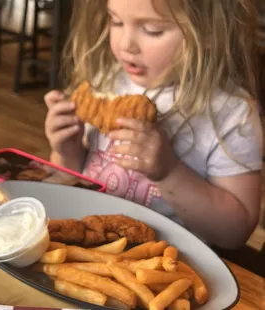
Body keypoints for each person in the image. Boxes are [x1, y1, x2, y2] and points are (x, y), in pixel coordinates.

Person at [44, 0, 263, 249]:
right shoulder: (105, 80)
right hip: (88, 242)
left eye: (152, 30)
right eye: (116, 21)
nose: (126, 45)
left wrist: (169, 172)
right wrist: (67, 153)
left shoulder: (232, 114)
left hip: (167, 262)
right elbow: (71, 184)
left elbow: (235, 233)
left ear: (209, 32)